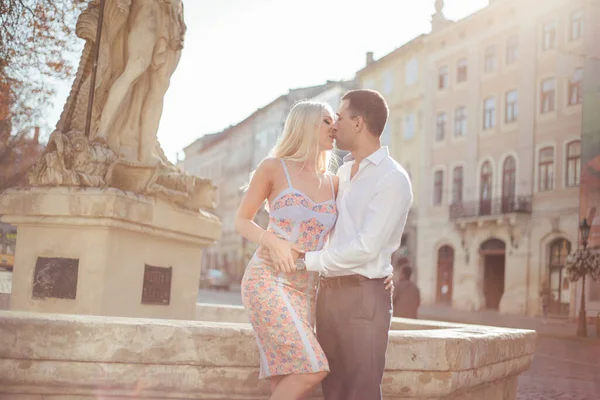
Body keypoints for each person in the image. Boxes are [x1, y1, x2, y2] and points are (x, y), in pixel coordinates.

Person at [260, 89, 413, 400]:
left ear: (357, 123)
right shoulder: (343, 172)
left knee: (360, 391)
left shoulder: (392, 178)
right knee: (334, 391)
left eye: (339, 118)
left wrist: (306, 260)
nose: (334, 126)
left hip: (362, 296)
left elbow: (367, 247)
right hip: (328, 295)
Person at [235, 101, 338, 400]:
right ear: (305, 125)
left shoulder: (335, 182)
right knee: (312, 369)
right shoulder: (273, 167)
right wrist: (273, 240)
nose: (334, 128)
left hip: (307, 288)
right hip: (267, 279)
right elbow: (242, 220)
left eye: (335, 121)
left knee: (285, 377)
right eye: (326, 121)